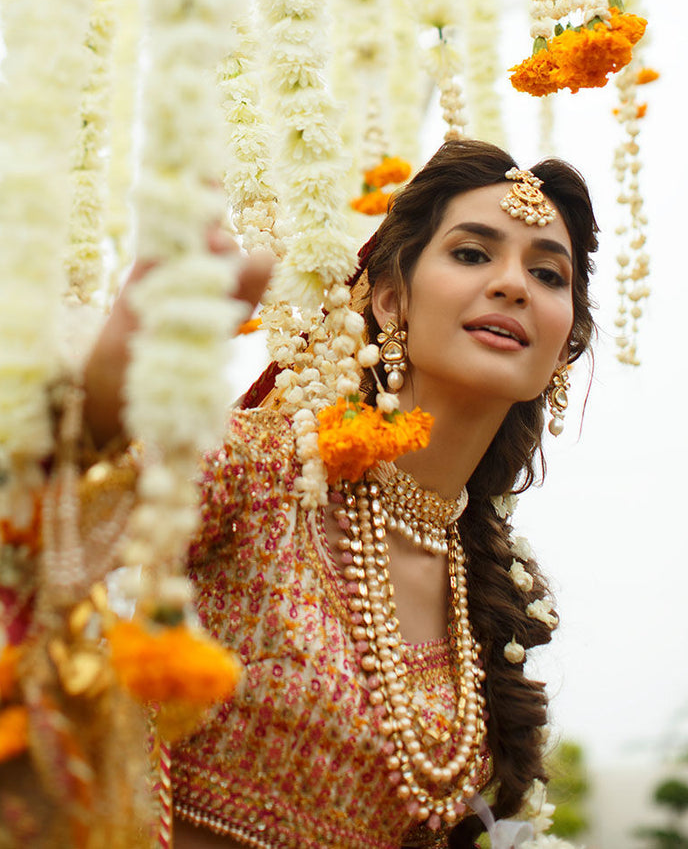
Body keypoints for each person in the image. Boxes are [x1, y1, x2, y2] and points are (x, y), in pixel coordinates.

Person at [84, 138, 599, 849]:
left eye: (547, 273)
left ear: (564, 343)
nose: (513, 283)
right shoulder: (263, 471)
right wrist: (109, 381)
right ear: (389, 299)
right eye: (474, 254)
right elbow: (60, 538)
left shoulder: (487, 590)